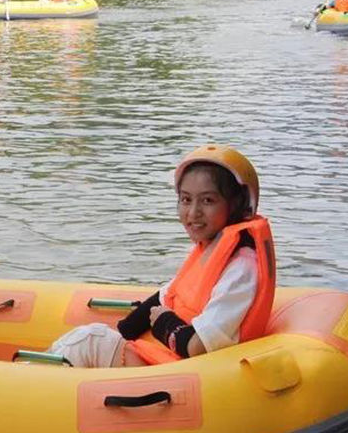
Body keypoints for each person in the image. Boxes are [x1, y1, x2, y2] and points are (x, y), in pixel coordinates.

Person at [41, 145, 275, 368]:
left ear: (237, 205)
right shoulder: (210, 251)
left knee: (90, 340)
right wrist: (121, 333)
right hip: (162, 359)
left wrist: (164, 322)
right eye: (186, 199)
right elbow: (164, 298)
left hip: (183, 372)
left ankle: (30, 380)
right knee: (91, 336)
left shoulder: (241, 268)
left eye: (208, 200)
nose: (193, 212)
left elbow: (198, 346)